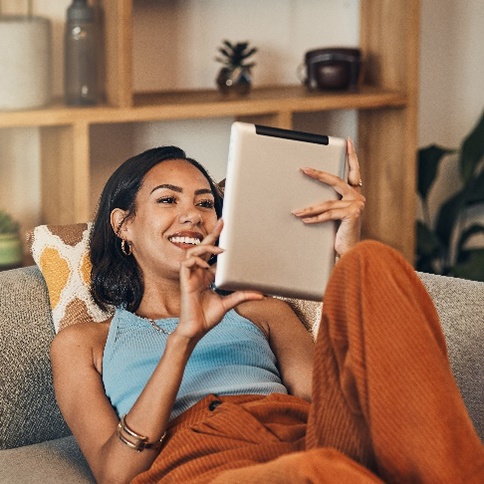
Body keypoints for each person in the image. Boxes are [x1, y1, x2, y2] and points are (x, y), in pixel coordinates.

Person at [50, 142, 484, 484]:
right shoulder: (85, 343)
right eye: (168, 200)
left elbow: (334, 403)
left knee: (373, 260)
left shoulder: (262, 310)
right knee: (316, 475)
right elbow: (116, 474)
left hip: (301, 436)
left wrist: (344, 255)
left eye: (205, 204)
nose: (192, 216)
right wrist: (183, 338)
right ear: (122, 224)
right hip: (202, 462)